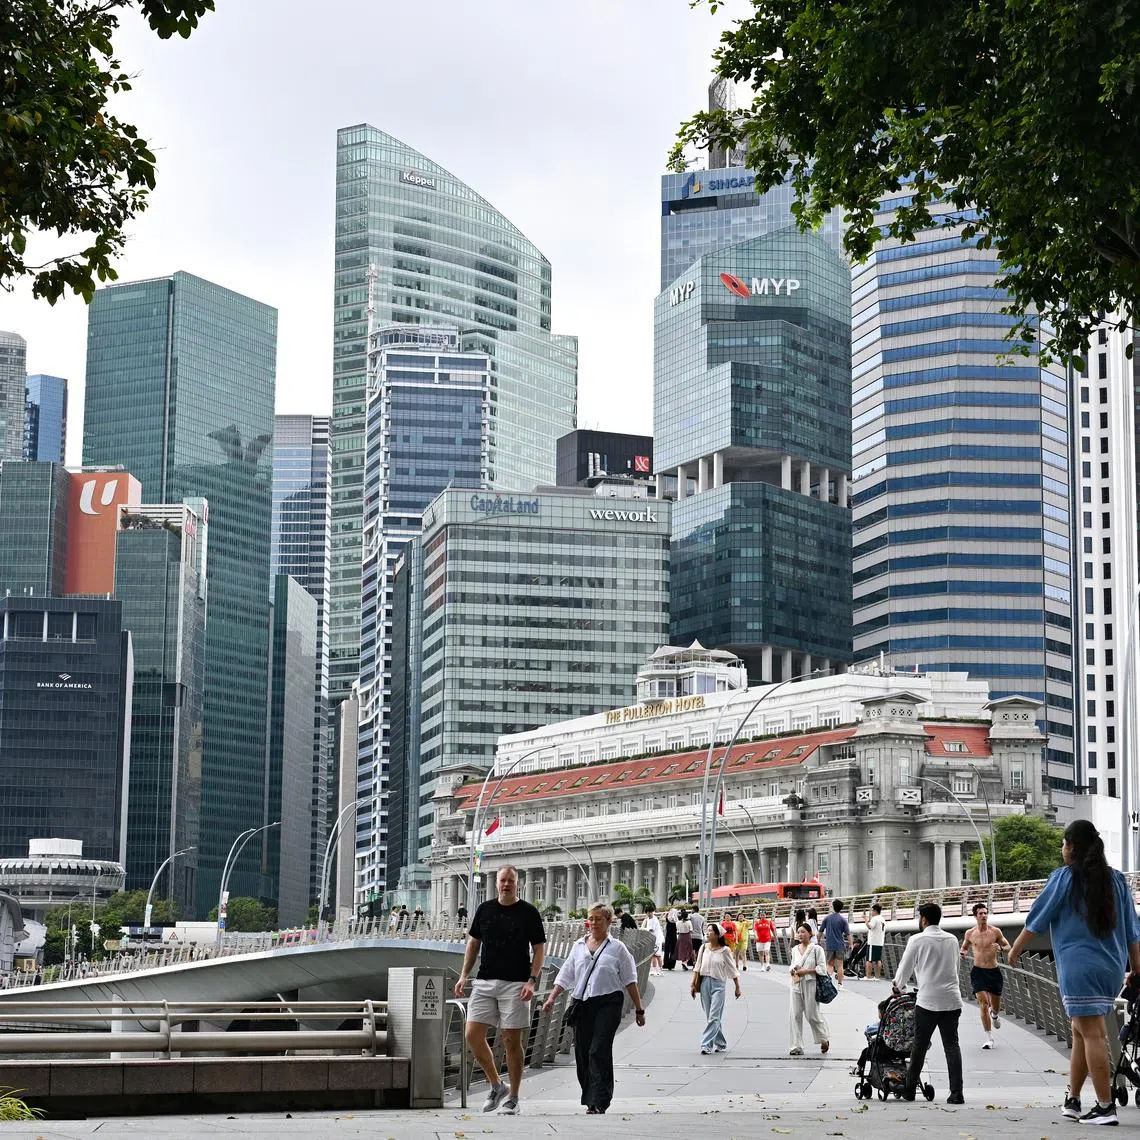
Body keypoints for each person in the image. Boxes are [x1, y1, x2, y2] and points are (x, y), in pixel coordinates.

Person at [1009, 818, 1140, 1126]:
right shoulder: (1117, 880)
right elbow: (1133, 932)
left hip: (1078, 966)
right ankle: (1073, 1099)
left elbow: (1036, 919)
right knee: (1080, 1031)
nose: (1061, 849)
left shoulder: (1065, 878)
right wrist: (1136, 970)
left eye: (1063, 844)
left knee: (1092, 1032)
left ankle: (1105, 1106)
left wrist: (1015, 950)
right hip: (1110, 968)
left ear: (1071, 847)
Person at [455, 865, 547, 1116]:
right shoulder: (485, 910)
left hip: (516, 983)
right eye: (503, 880)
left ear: (518, 883)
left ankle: (514, 1098)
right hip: (485, 981)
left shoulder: (528, 912)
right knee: (472, 1034)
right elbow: (473, 944)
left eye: (511, 881)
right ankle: (497, 1085)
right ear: (496, 883)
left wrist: (532, 980)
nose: (506, 884)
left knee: (510, 1040)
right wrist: (464, 975)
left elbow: (539, 948)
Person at [542, 903, 645, 1115]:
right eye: (591, 918)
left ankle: (601, 1099)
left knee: (598, 1049)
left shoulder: (618, 948)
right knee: (582, 1052)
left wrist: (639, 1009)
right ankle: (590, 1098)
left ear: (608, 921)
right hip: (583, 1003)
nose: (594, 923)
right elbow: (566, 974)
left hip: (609, 1002)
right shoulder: (578, 945)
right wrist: (551, 998)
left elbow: (630, 980)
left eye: (599, 918)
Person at [892, 902, 964, 1105]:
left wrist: (897, 986)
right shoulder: (952, 940)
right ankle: (956, 1092)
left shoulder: (917, 940)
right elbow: (955, 969)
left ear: (923, 919)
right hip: (952, 999)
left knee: (920, 1045)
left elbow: (904, 969)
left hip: (928, 1001)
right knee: (952, 1045)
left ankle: (909, 1089)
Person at [960, 902, 1010, 1049]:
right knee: (983, 1004)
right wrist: (963, 952)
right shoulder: (970, 933)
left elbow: (1008, 947)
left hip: (994, 972)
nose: (984, 916)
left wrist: (1001, 948)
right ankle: (989, 1038)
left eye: (985, 913)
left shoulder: (995, 932)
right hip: (978, 971)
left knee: (995, 1006)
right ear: (975, 916)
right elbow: (964, 947)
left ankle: (994, 1015)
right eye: (981, 913)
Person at [691, 921, 741, 1054]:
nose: (707, 933)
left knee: (714, 1016)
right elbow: (697, 966)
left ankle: (706, 1044)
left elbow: (732, 969)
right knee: (711, 1016)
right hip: (704, 983)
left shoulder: (725, 950)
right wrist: (693, 984)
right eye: (707, 930)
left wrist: (737, 987)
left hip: (719, 984)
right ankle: (721, 1042)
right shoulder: (703, 948)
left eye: (710, 931)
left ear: (718, 934)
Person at [788, 921, 830, 1056]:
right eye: (798, 932)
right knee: (795, 1015)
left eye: (803, 932)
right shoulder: (794, 950)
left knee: (812, 1014)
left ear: (810, 933)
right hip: (795, 984)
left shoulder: (817, 949)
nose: (800, 934)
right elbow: (792, 964)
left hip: (811, 983)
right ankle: (796, 1046)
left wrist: (805, 971)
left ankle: (824, 1038)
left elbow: (822, 969)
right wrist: (792, 971)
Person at [819, 899, 852, 986]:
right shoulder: (843, 920)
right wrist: (851, 944)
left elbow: (820, 931)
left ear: (833, 907)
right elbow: (848, 934)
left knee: (829, 964)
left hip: (830, 945)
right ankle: (840, 985)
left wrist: (818, 940)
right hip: (840, 945)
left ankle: (828, 982)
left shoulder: (827, 918)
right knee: (840, 966)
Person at [864, 903, 886, 980]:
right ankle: (877, 976)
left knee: (869, 960)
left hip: (873, 942)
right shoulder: (882, 919)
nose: (871, 912)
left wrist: (865, 919)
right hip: (880, 942)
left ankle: (868, 976)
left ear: (875, 911)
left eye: (872, 910)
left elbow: (869, 926)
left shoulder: (875, 918)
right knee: (878, 960)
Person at [644, 905, 665, 975]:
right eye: (648, 912)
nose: (649, 913)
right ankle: (655, 970)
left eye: (651, 912)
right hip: (654, 939)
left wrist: (643, 930)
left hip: (656, 939)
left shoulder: (653, 919)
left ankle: (660, 970)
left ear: (653, 912)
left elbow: (651, 930)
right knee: (654, 955)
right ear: (646, 912)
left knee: (657, 955)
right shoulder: (649, 919)